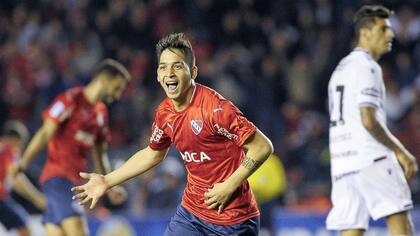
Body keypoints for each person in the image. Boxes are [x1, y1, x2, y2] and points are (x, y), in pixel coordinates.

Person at [72, 32, 274, 235]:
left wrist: (229, 185)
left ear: (193, 72)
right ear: (158, 76)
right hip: (191, 214)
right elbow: (153, 154)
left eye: (177, 66)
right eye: (163, 67)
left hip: (234, 220)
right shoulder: (164, 112)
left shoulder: (216, 109)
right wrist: (107, 181)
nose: (169, 73)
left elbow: (262, 146)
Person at [11, 59, 131, 236]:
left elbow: (100, 154)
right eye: (117, 87)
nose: (118, 94)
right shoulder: (70, 100)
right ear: (104, 80)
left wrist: (109, 186)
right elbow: (45, 132)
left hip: (74, 183)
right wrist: (23, 162)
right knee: (78, 232)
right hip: (58, 179)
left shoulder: (101, 113)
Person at [326, 5, 418, 236]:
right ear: (365, 33)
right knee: (399, 220)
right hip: (372, 157)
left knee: (351, 229)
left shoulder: (339, 70)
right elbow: (368, 119)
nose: (391, 34)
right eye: (383, 29)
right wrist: (400, 151)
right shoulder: (368, 67)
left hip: (342, 161)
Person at [0, 120, 46, 236]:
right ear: (15, 140)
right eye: (21, 144)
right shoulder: (9, 150)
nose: (20, 148)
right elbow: (16, 179)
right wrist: (37, 198)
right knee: (26, 229)